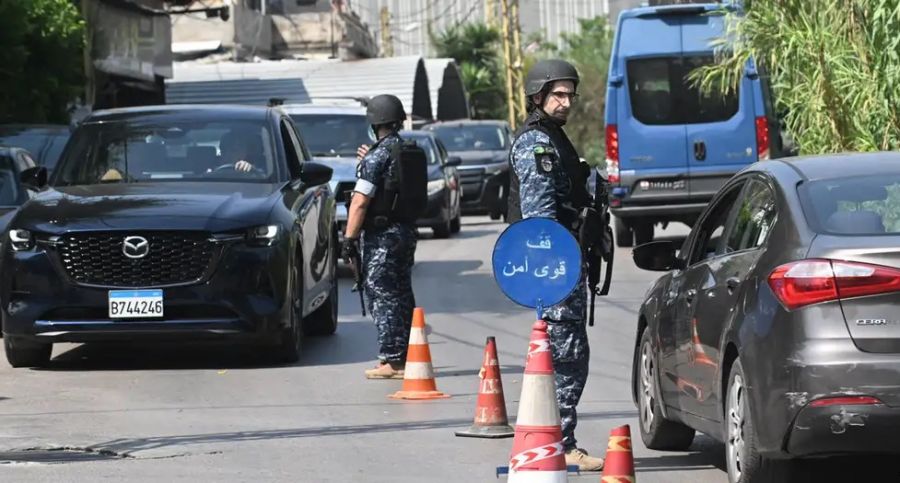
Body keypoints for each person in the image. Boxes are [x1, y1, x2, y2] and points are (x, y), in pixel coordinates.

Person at [507, 59, 605, 472]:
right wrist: (556, 273)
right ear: (538, 96)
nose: (565, 102)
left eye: (569, 95)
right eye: (557, 95)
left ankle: (559, 442)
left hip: (565, 262)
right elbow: (540, 218)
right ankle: (560, 445)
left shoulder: (553, 137)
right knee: (566, 357)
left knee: (571, 354)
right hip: (555, 267)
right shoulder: (537, 144)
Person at [341, 94, 417, 380]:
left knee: (382, 293)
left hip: (382, 235)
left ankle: (394, 361)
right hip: (405, 231)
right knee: (401, 292)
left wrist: (349, 239)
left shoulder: (377, 156)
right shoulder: (405, 150)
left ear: (375, 123)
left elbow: (360, 201)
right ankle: (408, 353)